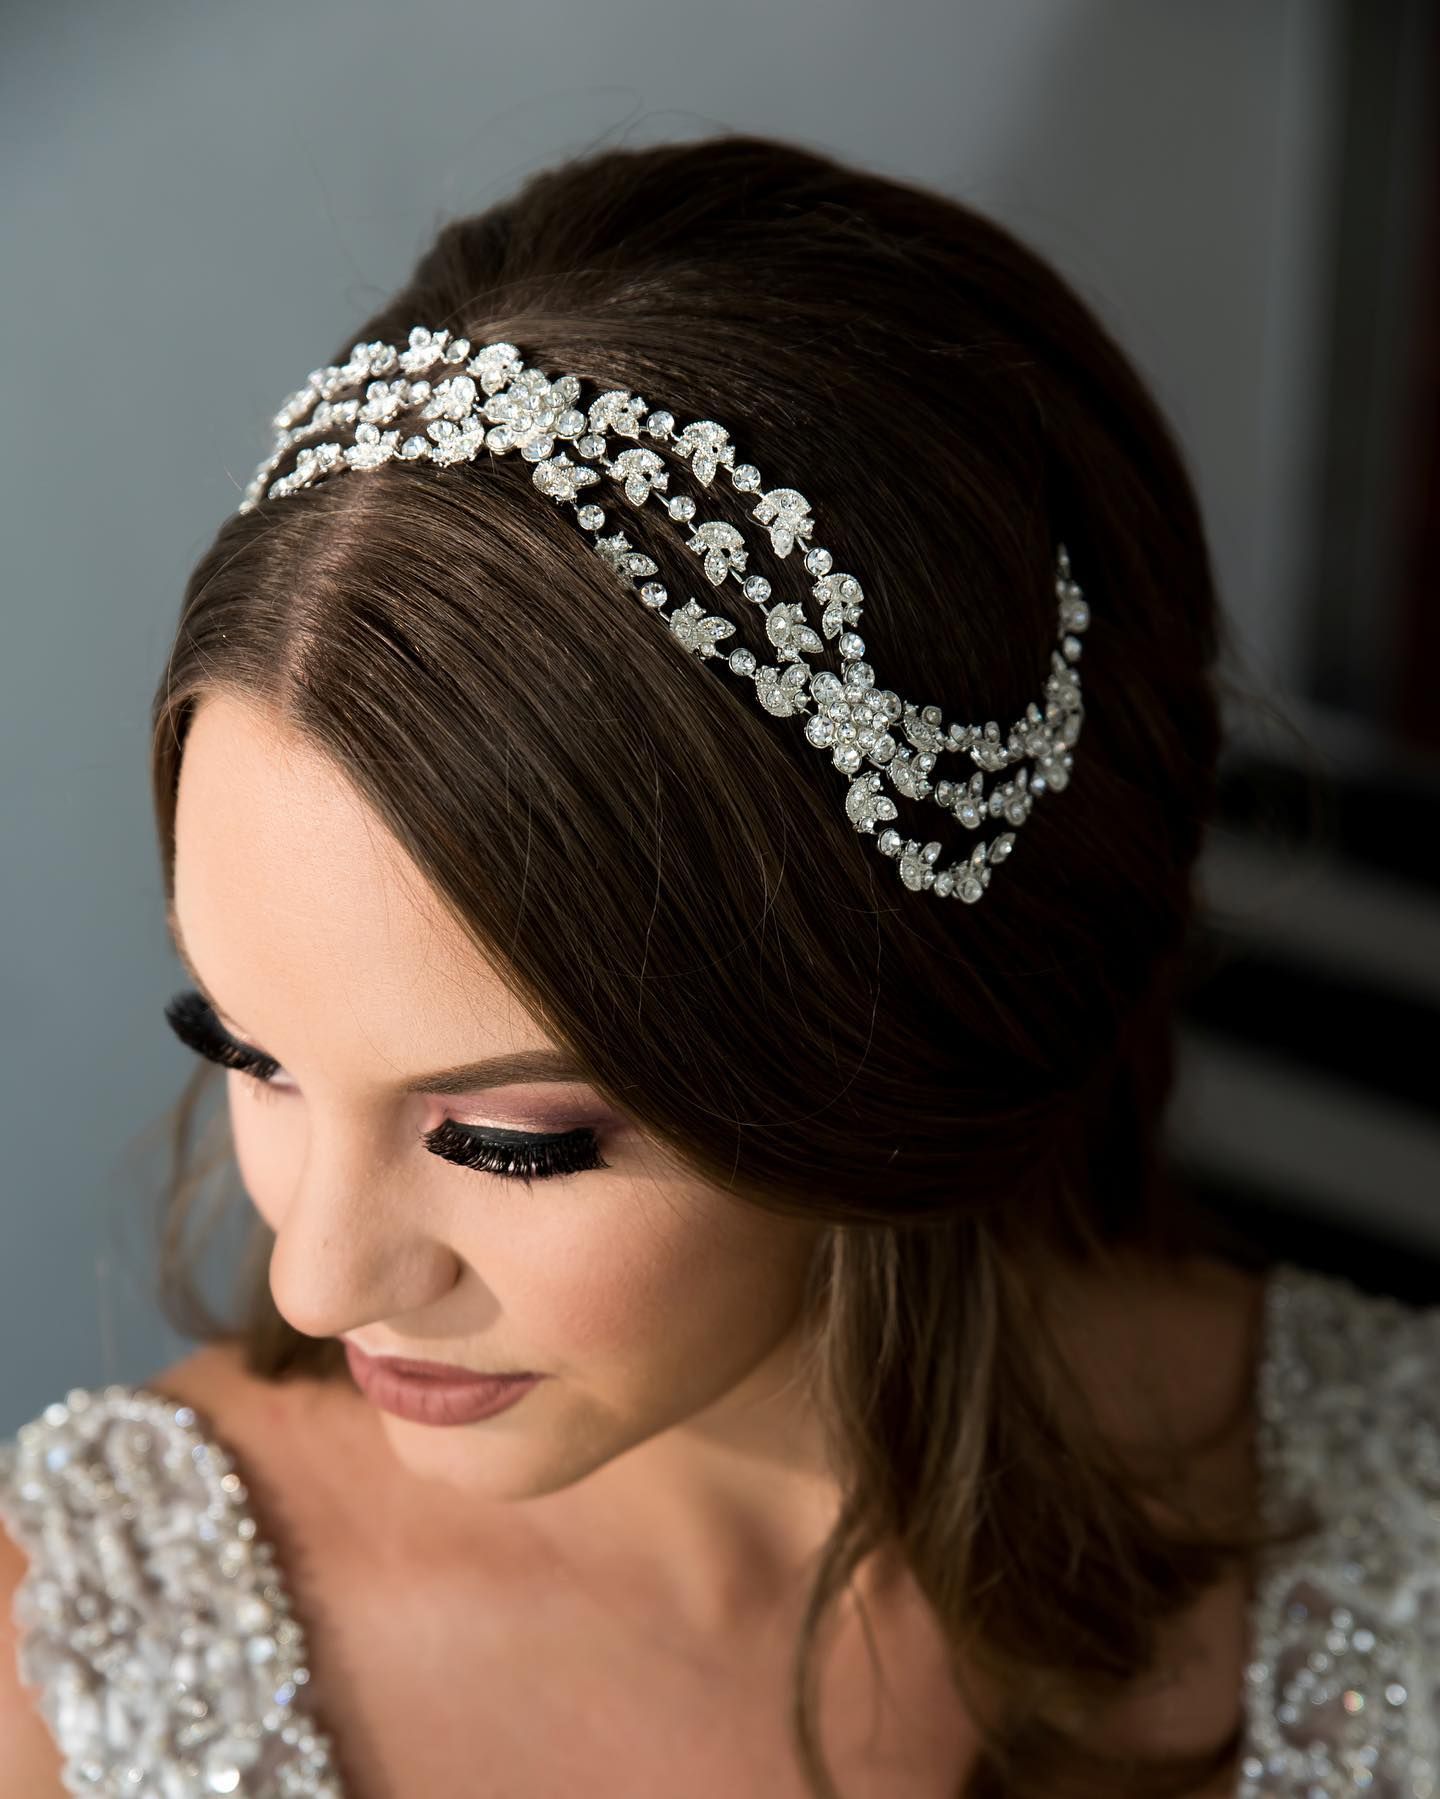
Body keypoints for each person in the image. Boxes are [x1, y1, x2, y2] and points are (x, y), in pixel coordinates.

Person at [1, 130, 1436, 1799]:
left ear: (890, 1038)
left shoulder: (1403, 1529)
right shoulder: (68, 1682)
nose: (318, 1282)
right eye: (245, 1048)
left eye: (510, 1137)